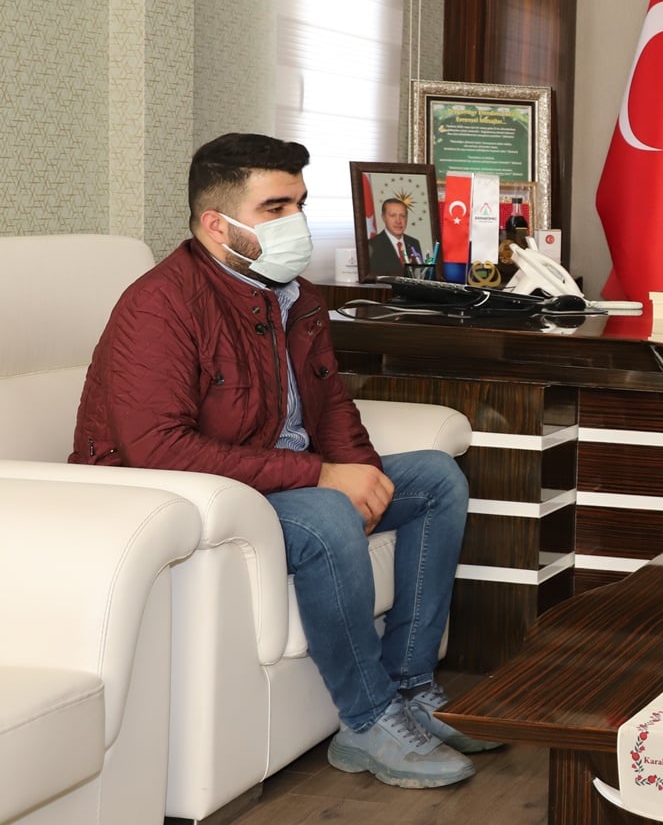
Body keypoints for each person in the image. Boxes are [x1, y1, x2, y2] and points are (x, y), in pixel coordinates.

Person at [71, 133, 497, 789]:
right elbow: (157, 449)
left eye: (299, 203)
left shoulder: (295, 296)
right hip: (190, 497)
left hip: (277, 481)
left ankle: (410, 687)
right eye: (274, 208)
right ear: (217, 224)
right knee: (327, 514)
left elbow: (331, 407)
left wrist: (361, 473)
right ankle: (367, 722)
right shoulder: (160, 304)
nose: (295, 221)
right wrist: (322, 476)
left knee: (436, 480)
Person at [365, 196, 424, 276]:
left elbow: (419, 275)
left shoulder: (414, 243)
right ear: (383, 217)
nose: (398, 221)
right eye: (393, 215)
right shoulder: (372, 246)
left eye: (402, 216)